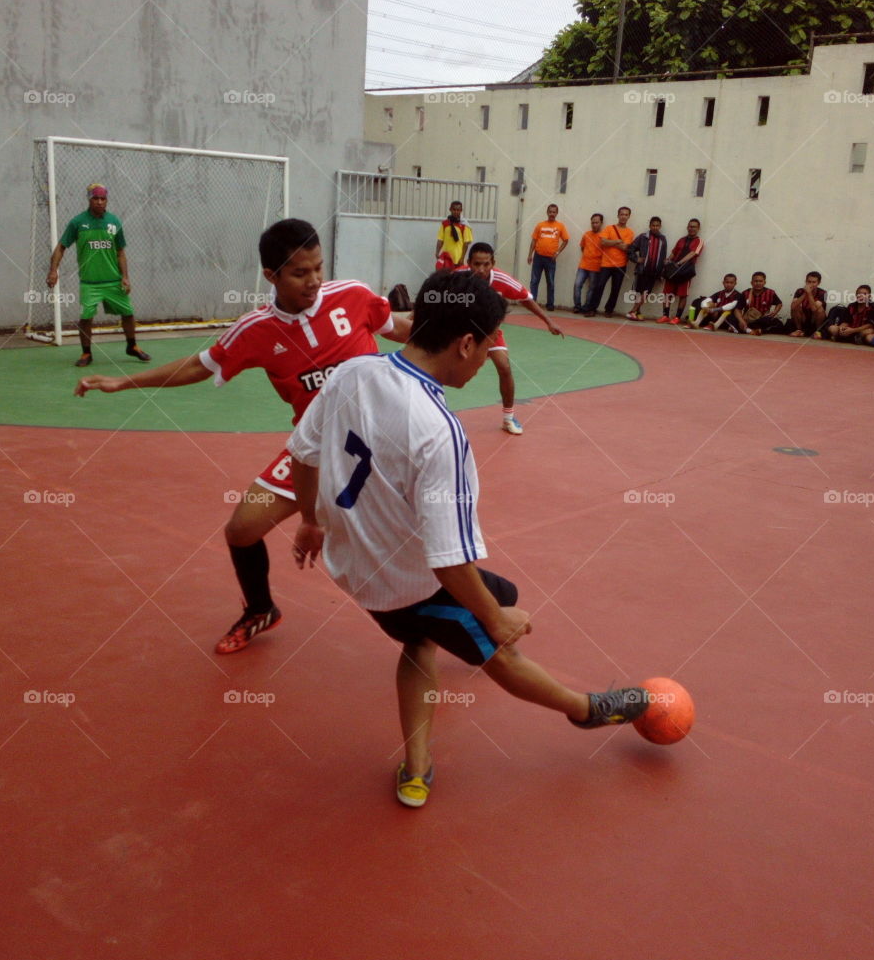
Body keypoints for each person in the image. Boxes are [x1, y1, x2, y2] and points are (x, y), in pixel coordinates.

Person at [287, 269, 649, 809]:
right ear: (464, 343)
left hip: (353, 564)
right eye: (486, 350)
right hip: (405, 585)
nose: (485, 362)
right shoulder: (439, 431)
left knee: (450, 623)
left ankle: (418, 761)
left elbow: (303, 451)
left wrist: (311, 520)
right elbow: (449, 562)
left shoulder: (352, 372)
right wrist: (496, 622)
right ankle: (586, 709)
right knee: (497, 643)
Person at [73, 218, 412, 655]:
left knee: (412, 542)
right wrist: (126, 382)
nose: (313, 282)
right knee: (242, 530)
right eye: (299, 273)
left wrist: (457, 327)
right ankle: (260, 609)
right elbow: (200, 364)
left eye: (318, 268)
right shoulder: (255, 330)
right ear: (271, 276)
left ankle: (488, 608)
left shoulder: (353, 297)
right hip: (313, 452)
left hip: (378, 445)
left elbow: (401, 328)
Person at [46, 183, 152, 368]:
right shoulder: (77, 223)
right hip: (90, 283)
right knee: (86, 318)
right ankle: (86, 353)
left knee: (128, 313)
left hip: (113, 281)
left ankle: (132, 346)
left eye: (103, 199)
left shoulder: (114, 222)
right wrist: (53, 270)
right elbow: (61, 247)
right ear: (89, 199)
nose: (100, 202)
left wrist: (125, 277)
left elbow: (120, 252)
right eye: (96, 198)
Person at [464, 241, 564, 435]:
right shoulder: (459, 277)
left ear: (493, 262)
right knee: (441, 367)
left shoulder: (503, 280)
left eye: (486, 264)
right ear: (469, 263)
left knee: (505, 367)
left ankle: (508, 418)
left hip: (491, 332)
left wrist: (549, 322)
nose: (481, 269)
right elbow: (436, 295)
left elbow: (526, 299)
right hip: (463, 331)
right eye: (477, 264)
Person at [585, 206, 633, 317]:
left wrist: (610, 242)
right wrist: (616, 242)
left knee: (615, 289)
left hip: (620, 265)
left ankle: (609, 310)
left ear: (629, 217)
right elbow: (603, 242)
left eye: (626, 215)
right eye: (622, 214)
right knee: (599, 286)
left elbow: (625, 247)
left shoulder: (630, 232)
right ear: (618, 215)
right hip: (606, 264)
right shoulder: (609, 228)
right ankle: (592, 309)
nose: (623, 217)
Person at [657, 219, 704, 323]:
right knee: (667, 293)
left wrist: (679, 263)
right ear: (687, 227)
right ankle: (665, 316)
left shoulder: (699, 241)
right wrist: (668, 261)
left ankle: (677, 317)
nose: (692, 228)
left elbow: (693, 253)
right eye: (690, 226)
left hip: (685, 271)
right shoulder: (681, 239)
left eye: (694, 227)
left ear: (698, 228)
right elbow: (674, 252)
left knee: (682, 295)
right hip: (673, 270)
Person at [526, 204, 569, 311]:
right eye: (550, 211)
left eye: (554, 212)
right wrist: (530, 254)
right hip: (538, 257)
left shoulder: (560, 226)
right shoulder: (540, 225)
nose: (552, 214)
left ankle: (550, 304)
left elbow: (566, 240)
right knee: (534, 281)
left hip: (550, 259)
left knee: (550, 282)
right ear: (547, 212)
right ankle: (533, 304)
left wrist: (558, 252)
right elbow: (534, 240)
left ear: (557, 213)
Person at [625, 216, 668, 320]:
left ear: (660, 226)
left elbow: (663, 256)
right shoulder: (643, 237)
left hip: (654, 272)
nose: (655, 227)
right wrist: (637, 259)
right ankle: (636, 312)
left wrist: (662, 272)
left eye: (657, 225)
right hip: (642, 270)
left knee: (646, 293)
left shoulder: (663, 239)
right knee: (639, 292)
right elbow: (630, 249)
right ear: (649, 226)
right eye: (653, 225)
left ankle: (632, 311)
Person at [573, 213, 604, 314]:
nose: (594, 224)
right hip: (583, 265)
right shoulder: (586, 234)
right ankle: (577, 306)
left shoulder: (604, 237)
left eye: (597, 222)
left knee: (592, 288)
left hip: (596, 267)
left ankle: (586, 307)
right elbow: (582, 247)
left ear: (601, 223)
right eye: (593, 222)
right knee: (577, 285)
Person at [435, 201, 472, 271]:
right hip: (445, 257)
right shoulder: (445, 224)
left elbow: (466, 243)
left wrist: (462, 258)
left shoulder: (464, 225)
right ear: (450, 209)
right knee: (444, 278)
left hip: (457, 258)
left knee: (457, 279)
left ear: (461, 211)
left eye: (458, 210)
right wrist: (437, 252)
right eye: (454, 209)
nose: (456, 212)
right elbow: (440, 240)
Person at [787, 272, 827, 337]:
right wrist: (805, 293)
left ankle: (818, 331)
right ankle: (799, 330)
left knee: (820, 309)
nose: (811, 284)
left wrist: (809, 294)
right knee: (796, 306)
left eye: (814, 282)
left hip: (814, 320)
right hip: (803, 318)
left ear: (818, 283)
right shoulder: (799, 291)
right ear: (805, 282)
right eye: (809, 282)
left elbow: (814, 309)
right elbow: (793, 307)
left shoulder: (823, 293)